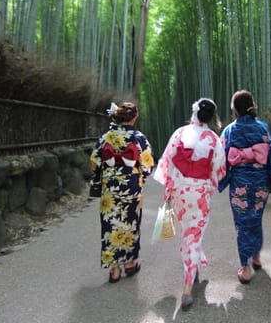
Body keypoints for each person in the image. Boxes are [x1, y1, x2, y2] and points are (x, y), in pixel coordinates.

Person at [153, 98, 226, 311]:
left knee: (188, 232)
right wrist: (208, 184)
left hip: (179, 191)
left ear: (193, 113)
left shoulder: (180, 133)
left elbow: (168, 161)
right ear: (212, 117)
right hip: (200, 191)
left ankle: (193, 266)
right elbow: (218, 169)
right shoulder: (214, 139)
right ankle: (187, 289)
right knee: (193, 235)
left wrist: (169, 189)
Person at [218, 90, 271, 284]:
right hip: (261, 180)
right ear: (252, 105)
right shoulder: (263, 128)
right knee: (256, 217)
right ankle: (256, 256)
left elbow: (221, 156)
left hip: (240, 183)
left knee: (242, 222)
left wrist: (221, 176)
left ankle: (246, 267)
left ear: (235, 109)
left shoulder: (229, 130)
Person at [90, 101, 155, 283]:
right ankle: (129, 263)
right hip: (131, 185)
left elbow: (95, 160)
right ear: (135, 117)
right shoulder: (138, 137)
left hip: (110, 186)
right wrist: (141, 174)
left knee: (110, 224)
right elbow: (148, 163)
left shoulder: (106, 136)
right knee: (130, 222)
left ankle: (114, 270)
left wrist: (103, 173)